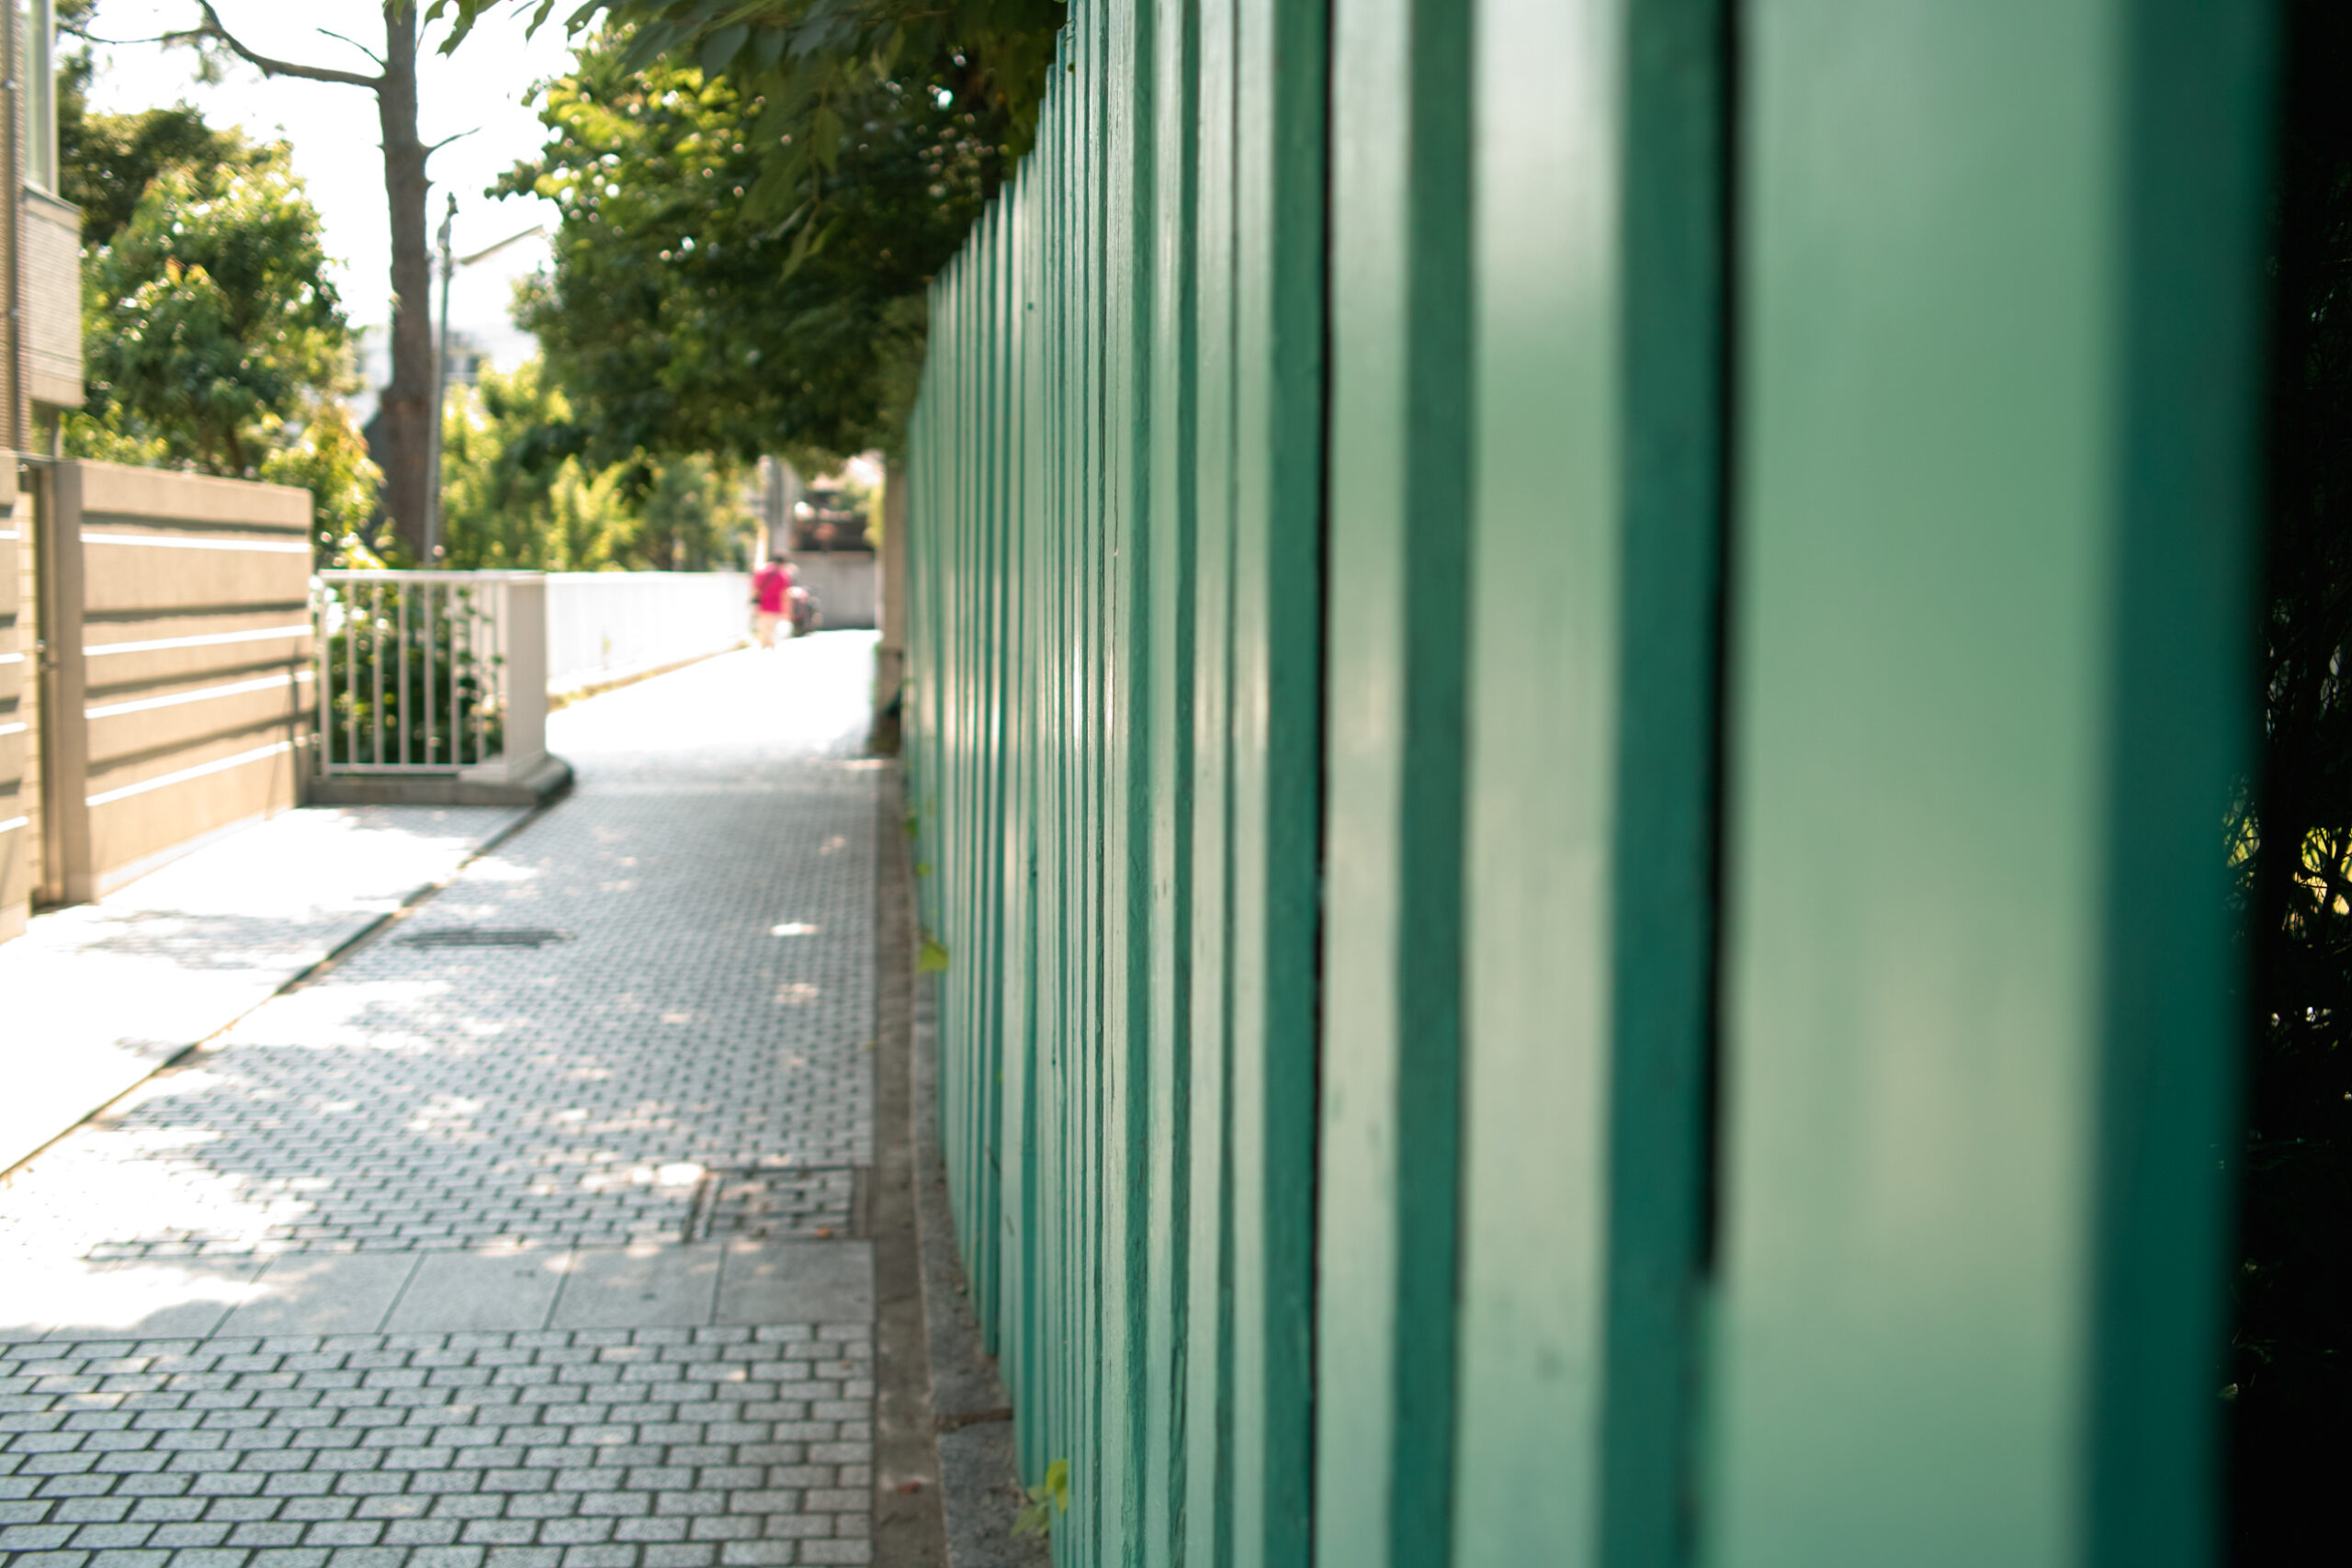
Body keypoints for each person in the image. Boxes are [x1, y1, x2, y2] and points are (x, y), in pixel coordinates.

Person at [752, 555, 795, 649]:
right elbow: (785, 595)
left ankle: (764, 650)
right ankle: (771, 650)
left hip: (762, 608)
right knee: (774, 634)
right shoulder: (783, 575)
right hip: (776, 609)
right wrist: (788, 612)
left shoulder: (761, 572)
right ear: (783, 563)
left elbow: (755, 590)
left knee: (764, 633)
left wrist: (755, 604)